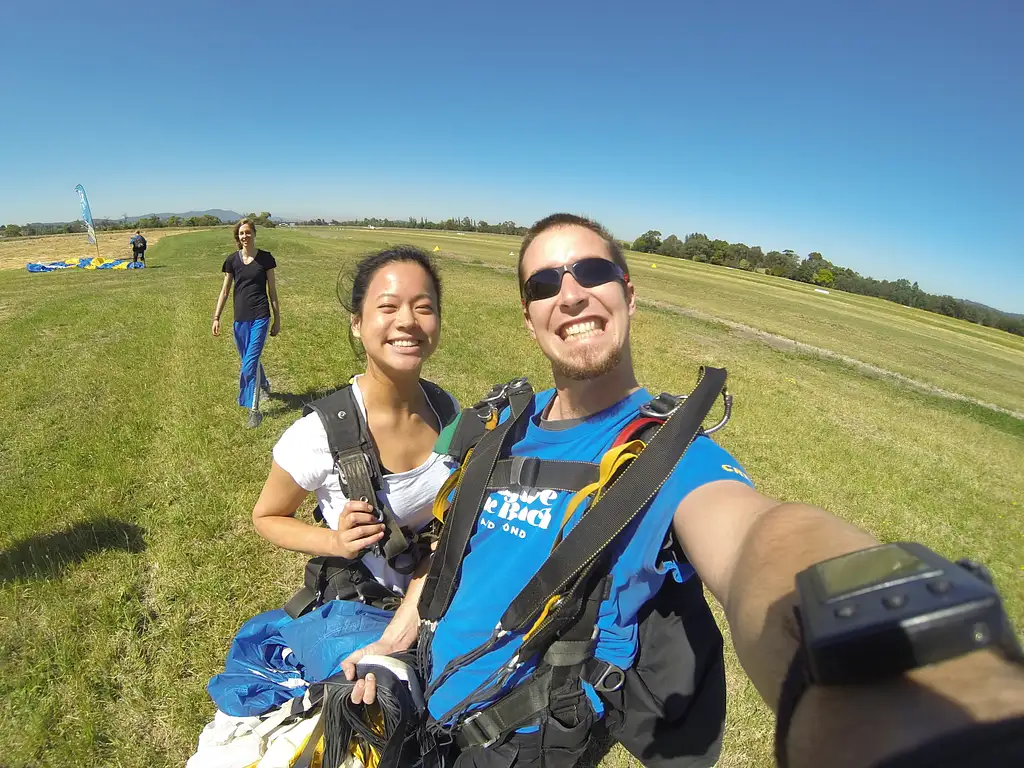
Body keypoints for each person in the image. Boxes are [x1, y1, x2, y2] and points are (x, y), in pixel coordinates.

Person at [343, 214, 1024, 768]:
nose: (572, 293)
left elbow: (765, 539)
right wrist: (394, 646)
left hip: (513, 744)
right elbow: (452, 554)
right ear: (530, 318)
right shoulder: (496, 425)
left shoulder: (673, 462)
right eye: (546, 282)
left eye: (593, 271)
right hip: (415, 697)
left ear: (629, 294)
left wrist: (896, 667)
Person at [252, 245, 458, 652]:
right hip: (368, 612)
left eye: (423, 307)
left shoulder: (446, 408)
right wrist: (335, 543)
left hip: (439, 604)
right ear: (357, 324)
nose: (407, 321)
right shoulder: (319, 435)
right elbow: (266, 516)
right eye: (388, 306)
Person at [212, 219, 281, 428]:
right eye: (241, 233)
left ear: (254, 234)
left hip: (260, 315)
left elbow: (272, 291)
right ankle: (264, 383)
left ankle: (254, 410)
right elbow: (224, 291)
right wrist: (216, 317)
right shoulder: (232, 261)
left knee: (249, 364)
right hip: (240, 319)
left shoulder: (266, 259)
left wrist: (277, 319)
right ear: (238, 237)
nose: (245, 236)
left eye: (248, 232)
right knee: (250, 357)